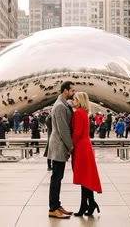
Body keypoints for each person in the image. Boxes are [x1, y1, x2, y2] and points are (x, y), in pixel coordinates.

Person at [71, 92, 102, 217]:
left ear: (79, 101)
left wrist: (70, 146)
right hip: (85, 146)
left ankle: (86, 204)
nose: (72, 101)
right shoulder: (84, 113)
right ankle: (89, 203)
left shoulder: (78, 113)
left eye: (74, 99)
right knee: (86, 177)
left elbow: (77, 132)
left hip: (81, 147)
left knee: (84, 177)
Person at [47, 81, 75, 219]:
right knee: (56, 178)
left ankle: (57, 205)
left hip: (60, 146)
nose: (73, 93)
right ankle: (53, 208)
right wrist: (70, 146)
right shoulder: (59, 106)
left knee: (59, 177)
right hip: (58, 146)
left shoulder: (64, 104)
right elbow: (63, 129)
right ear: (65, 91)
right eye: (72, 90)